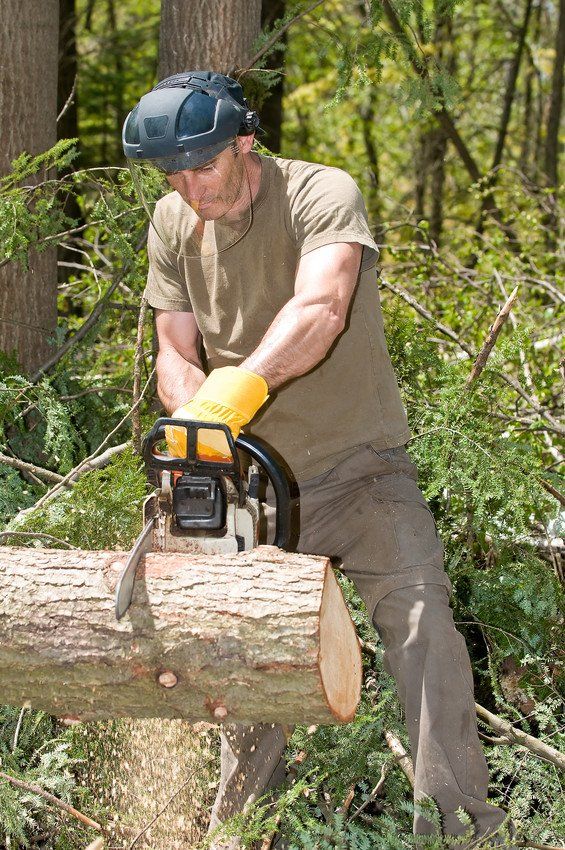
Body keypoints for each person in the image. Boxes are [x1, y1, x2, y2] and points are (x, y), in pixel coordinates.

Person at [122, 71, 511, 848]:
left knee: (422, 622)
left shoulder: (319, 193)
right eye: (172, 174)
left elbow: (321, 308)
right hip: (245, 486)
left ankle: (461, 829)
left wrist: (235, 392)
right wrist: (196, 416)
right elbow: (171, 346)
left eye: (202, 166)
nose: (190, 188)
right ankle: (245, 831)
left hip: (358, 467)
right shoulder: (172, 222)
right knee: (239, 654)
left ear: (244, 143)